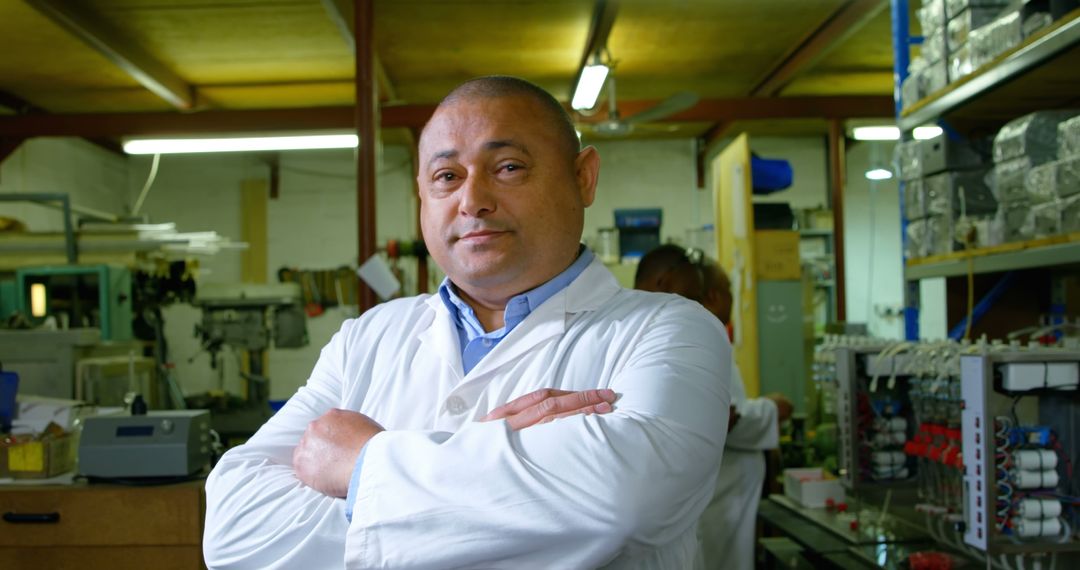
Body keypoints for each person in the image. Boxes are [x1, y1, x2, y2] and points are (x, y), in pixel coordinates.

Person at [203, 76, 732, 569]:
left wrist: (365, 464)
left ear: (583, 177)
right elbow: (233, 529)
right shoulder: (367, 337)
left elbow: (627, 500)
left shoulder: (673, 329)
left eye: (508, 167)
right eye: (447, 176)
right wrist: (505, 495)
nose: (472, 201)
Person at [635, 248, 793, 570]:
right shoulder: (652, 335)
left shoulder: (691, 332)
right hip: (709, 494)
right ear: (663, 282)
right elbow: (725, 420)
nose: (698, 305)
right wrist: (768, 411)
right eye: (694, 295)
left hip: (716, 491)